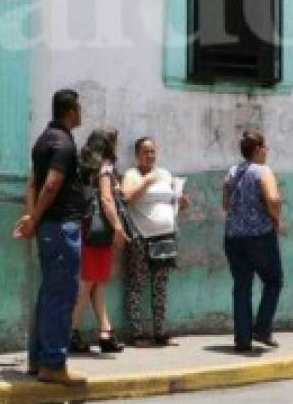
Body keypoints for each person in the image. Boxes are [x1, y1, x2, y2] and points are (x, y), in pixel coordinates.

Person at [15, 89, 86, 386]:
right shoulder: (64, 144)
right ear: (70, 111)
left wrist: (32, 217)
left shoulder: (43, 140)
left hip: (48, 228)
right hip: (60, 227)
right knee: (61, 296)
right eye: (79, 108)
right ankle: (54, 364)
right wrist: (36, 217)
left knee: (48, 294)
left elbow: (33, 183)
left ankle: (38, 360)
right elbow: (52, 184)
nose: (81, 113)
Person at [120, 136, 189, 347]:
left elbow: (171, 202)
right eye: (145, 152)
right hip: (140, 237)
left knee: (160, 285)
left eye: (152, 151)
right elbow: (126, 198)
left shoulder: (165, 174)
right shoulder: (131, 175)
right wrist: (146, 181)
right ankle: (137, 333)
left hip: (164, 238)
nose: (150, 155)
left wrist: (182, 203)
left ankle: (160, 332)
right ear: (137, 155)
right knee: (136, 283)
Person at [223, 130, 283, 352]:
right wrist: (276, 217)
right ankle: (263, 328)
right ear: (257, 150)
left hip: (233, 238)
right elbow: (274, 199)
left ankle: (243, 339)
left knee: (242, 286)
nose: (266, 151)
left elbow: (225, 204)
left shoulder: (232, 171)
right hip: (259, 237)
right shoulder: (263, 171)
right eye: (265, 147)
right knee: (274, 281)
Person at [69, 128, 129, 354]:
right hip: (99, 229)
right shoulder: (104, 168)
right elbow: (105, 198)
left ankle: (106, 332)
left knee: (97, 282)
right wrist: (118, 227)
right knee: (87, 283)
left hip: (86, 226)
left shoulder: (83, 165)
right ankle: (71, 331)